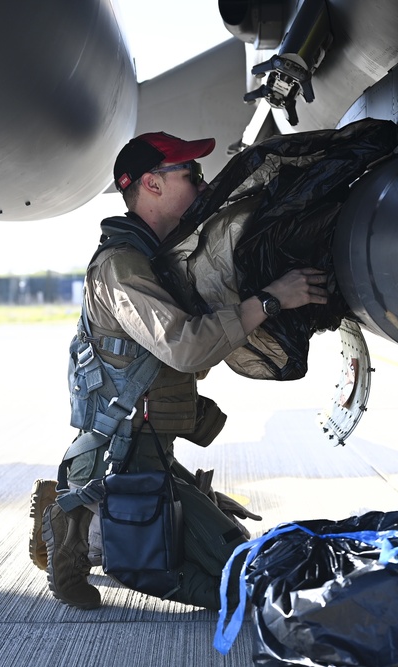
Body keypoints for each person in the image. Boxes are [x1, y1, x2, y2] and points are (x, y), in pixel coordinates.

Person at [42, 131, 330, 611]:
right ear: (152, 185)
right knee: (241, 581)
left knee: (237, 551)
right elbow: (186, 347)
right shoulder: (122, 267)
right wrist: (270, 299)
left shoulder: (160, 262)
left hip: (153, 452)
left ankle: (91, 522)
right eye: (190, 174)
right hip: (122, 462)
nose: (201, 183)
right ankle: (76, 523)